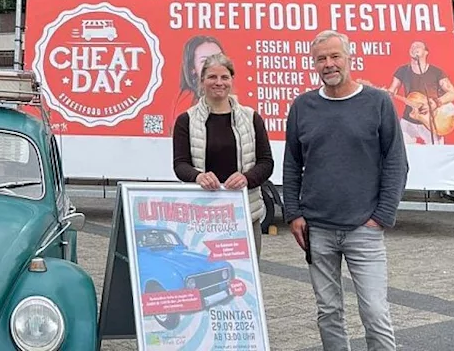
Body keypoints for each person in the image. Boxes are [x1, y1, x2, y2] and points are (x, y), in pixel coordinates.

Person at [282, 30, 409, 351]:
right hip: (317, 229)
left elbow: (396, 163)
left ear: (349, 58)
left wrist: (381, 217)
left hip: (363, 229)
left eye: (335, 56)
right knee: (328, 312)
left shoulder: (378, 102)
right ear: (314, 65)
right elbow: (292, 164)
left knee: (375, 313)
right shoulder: (302, 107)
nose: (329, 64)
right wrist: (293, 213)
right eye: (321, 59)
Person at [171, 53, 274, 258]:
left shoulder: (251, 118)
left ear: (231, 80)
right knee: (205, 274)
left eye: (224, 77)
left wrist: (247, 178)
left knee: (246, 279)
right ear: (201, 81)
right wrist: (198, 176)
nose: (219, 83)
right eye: (212, 77)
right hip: (203, 216)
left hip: (244, 213)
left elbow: (266, 163)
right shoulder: (186, 120)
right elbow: (180, 164)